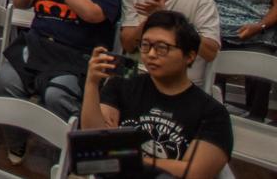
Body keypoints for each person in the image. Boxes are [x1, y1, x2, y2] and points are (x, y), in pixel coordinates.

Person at [0, 0, 121, 161]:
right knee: (4, 82)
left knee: (57, 95)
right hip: (36, 46)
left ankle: (63, 156)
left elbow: (93, 15)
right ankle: (17, 143)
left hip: (74, 57)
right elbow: (21, 2)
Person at [81, 11, 233, 179]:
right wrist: (92, 84)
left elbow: (194, 173)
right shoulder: (122, 85)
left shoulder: (212, 112)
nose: (151, 54)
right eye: (145, 45)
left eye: (162, 48)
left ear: (189, 56)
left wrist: (126, 157)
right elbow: (94, 145)